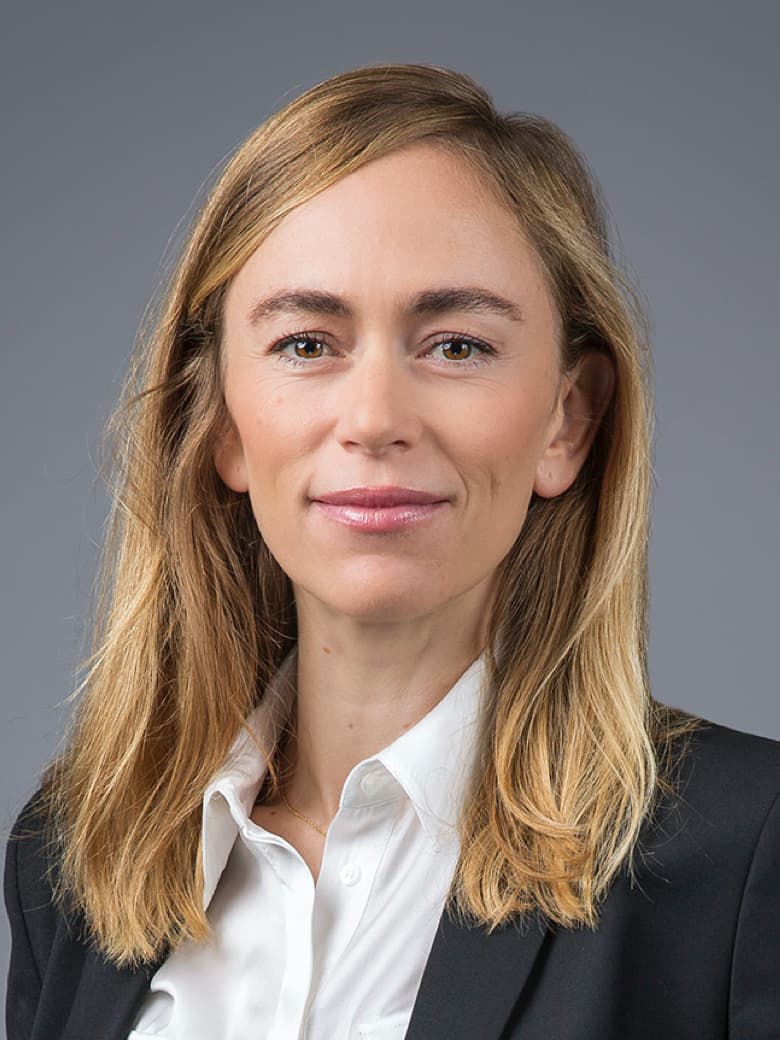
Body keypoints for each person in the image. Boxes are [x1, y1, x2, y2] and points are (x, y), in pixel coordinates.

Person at [4, 62, 779, 1040]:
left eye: (456, 344)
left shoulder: (747, 848)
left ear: (567, 421)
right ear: (224, 427)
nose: (373, 419)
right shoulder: (69, 859)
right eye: (305, 344)